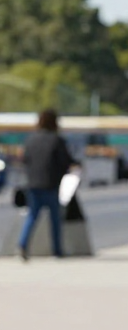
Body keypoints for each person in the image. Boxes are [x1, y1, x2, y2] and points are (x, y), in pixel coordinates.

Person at [18, 109, 73, 259]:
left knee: (32, 216)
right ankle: (57, 249)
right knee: (55, 218)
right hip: (50, 183)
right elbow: (65, 161)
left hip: (33, 183)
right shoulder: (56, 140)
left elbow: (24, 160)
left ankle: (23, 243)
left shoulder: (30, 140)